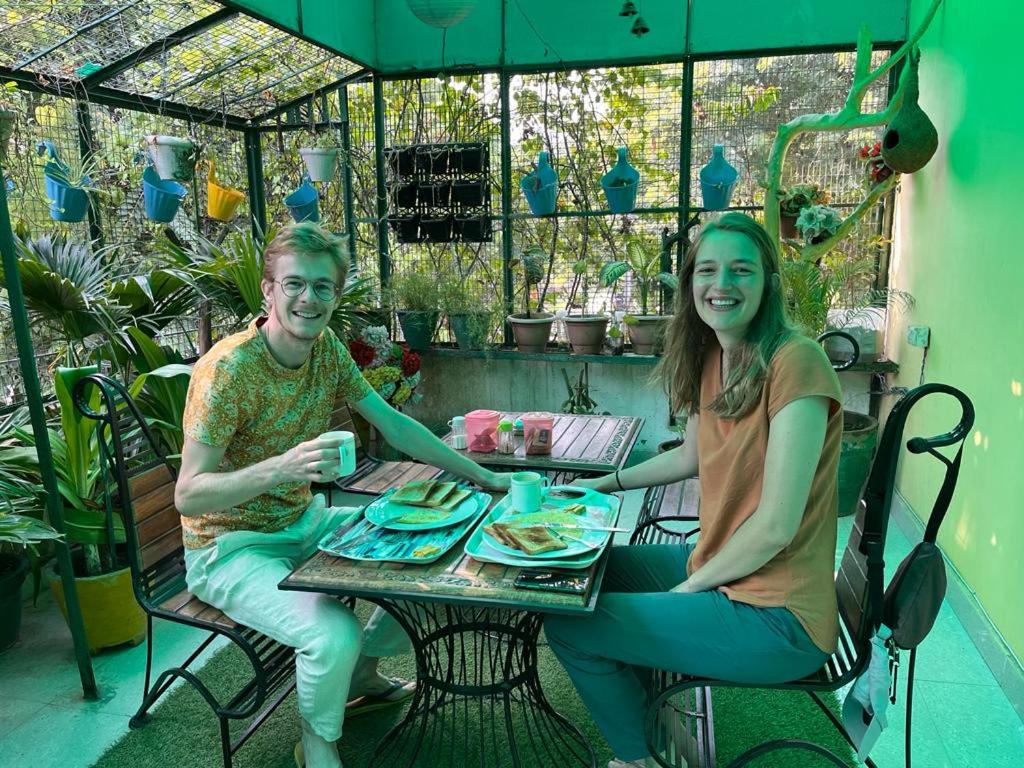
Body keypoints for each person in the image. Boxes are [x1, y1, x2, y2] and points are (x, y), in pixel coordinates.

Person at [175, 222, 513, 768]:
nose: (308, 299)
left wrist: (483, 475)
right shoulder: (227, 372)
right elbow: (188, 495)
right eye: (294, 284)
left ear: (336, 294)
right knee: (332, 634)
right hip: (229, 549)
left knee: (436, 566)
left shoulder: (327, 348)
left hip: (304, 522)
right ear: (268, 291)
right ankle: (316, 742)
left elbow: (395, 426)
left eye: (323, 287)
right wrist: (280, 467)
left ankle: (359, 677)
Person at [544, 213, 843, 768]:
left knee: (569, 625)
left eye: (741, 270)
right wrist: (600, 485)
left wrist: (692, 589)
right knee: (590, 568)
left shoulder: (796, 361)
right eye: (707, 270)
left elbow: (776, 524)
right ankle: (657, 723)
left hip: (778, 615)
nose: (721, 285)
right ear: (690, 285)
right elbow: (689, 456)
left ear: (767, 282)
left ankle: (640, 759)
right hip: (728, 569)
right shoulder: (715, 354)